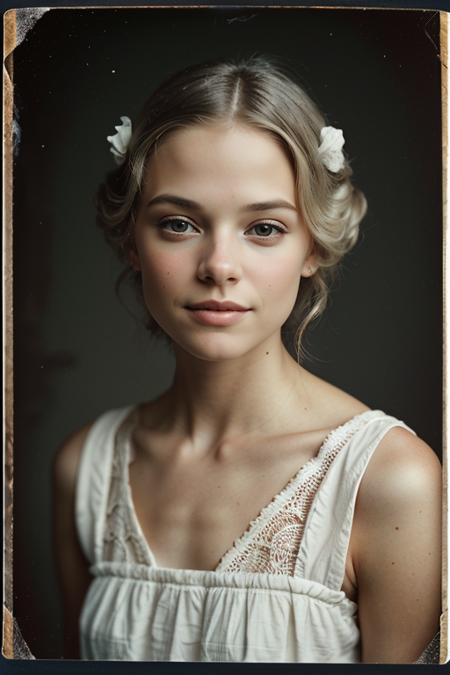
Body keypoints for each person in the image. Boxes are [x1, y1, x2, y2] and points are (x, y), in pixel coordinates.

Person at [52, 56, 442, 663]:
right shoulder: (87, 468)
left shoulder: (389, 480)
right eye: (178, 223)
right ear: (132, 239)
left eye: (264, 228)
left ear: (313, 243)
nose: (219, 266)